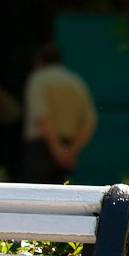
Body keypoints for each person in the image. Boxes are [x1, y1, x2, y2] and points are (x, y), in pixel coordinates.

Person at [18, 43, 98, 184]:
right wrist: (71, 151)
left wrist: (57, 150)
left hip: (41, 149)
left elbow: (42, 117)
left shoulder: (38, 78)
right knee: (61, 198)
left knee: (33, 199)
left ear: (39, 61)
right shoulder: (76, 81)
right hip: (68, 148)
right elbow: (90, 121)